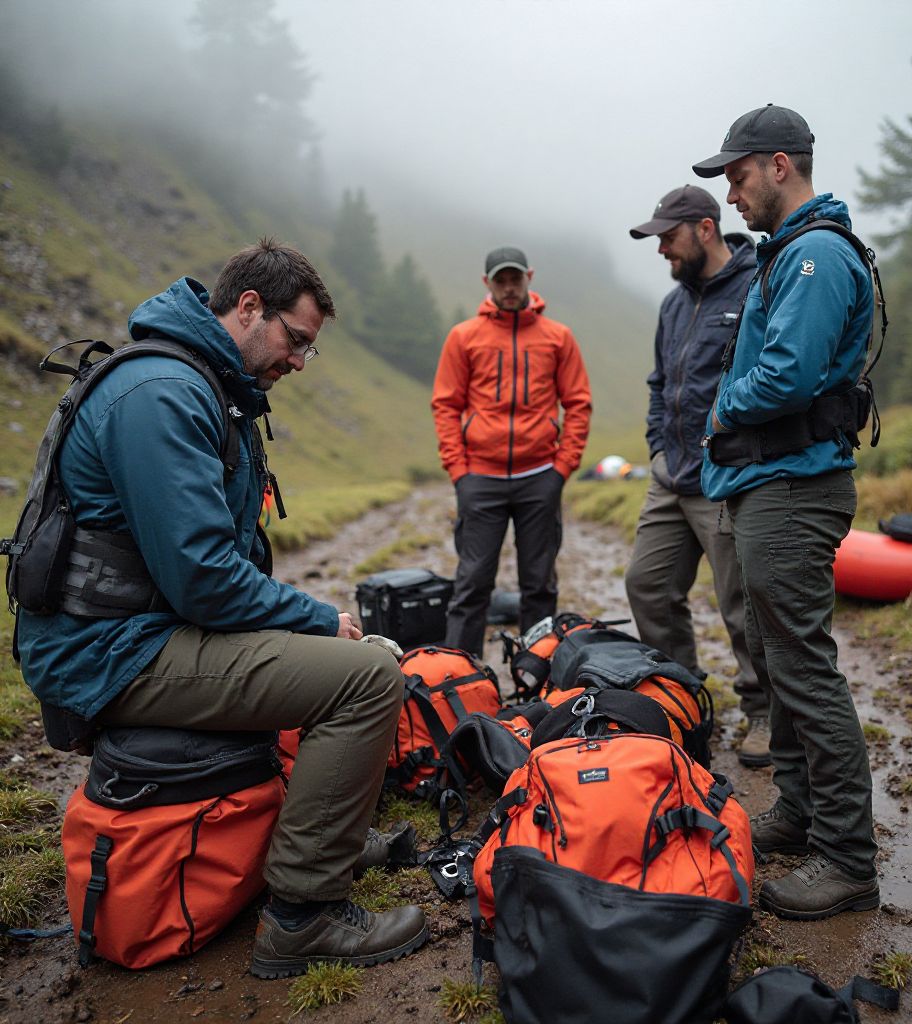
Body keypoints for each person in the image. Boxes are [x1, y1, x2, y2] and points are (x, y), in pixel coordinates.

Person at [15, 239, 429, 974]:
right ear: (247, 308)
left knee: (328, 657)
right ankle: (304, 915)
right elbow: (203, 579)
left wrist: (302, 621)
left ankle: (318, 834)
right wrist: (318, 616)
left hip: (142, 630)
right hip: (107, 650)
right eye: (295, 340)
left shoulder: (205, 383)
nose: (300, 362)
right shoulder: (163, 395)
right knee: (365, 680)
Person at [694, 105, 879, 919]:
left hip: (795, 488)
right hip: (771, 484)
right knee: (780, 662)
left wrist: (718, 412)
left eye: (735, 176)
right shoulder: (789, 254)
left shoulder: (813, 258)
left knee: (803, 668)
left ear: (778, 165)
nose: (730, 195)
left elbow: (787, 378)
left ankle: (847, 858)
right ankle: (802, 813)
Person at [625, 185, 770, 766]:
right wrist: (658, 448)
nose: (661, 249)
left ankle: (762, 712)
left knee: (741, 601)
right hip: (671, 476)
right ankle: (680, 696)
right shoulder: (672, 304)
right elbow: (661, 384)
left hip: (727, 476)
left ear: (705, 229)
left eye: (668, 236)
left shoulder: (757, 284)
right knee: (647, 585)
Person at [431, 246, 592, 656]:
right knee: (471, 586)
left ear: (529, 278)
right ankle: (459, 680)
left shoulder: (558, 338)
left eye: (514, 279)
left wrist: (562, 468)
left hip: (540, 477)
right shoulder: (464, 337)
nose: (508, 287)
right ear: (487, 284)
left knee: (539, 586)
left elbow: (578, 404)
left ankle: (535, 680)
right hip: (479, 480)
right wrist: (459, 472)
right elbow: (446, 405)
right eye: (499, 280)